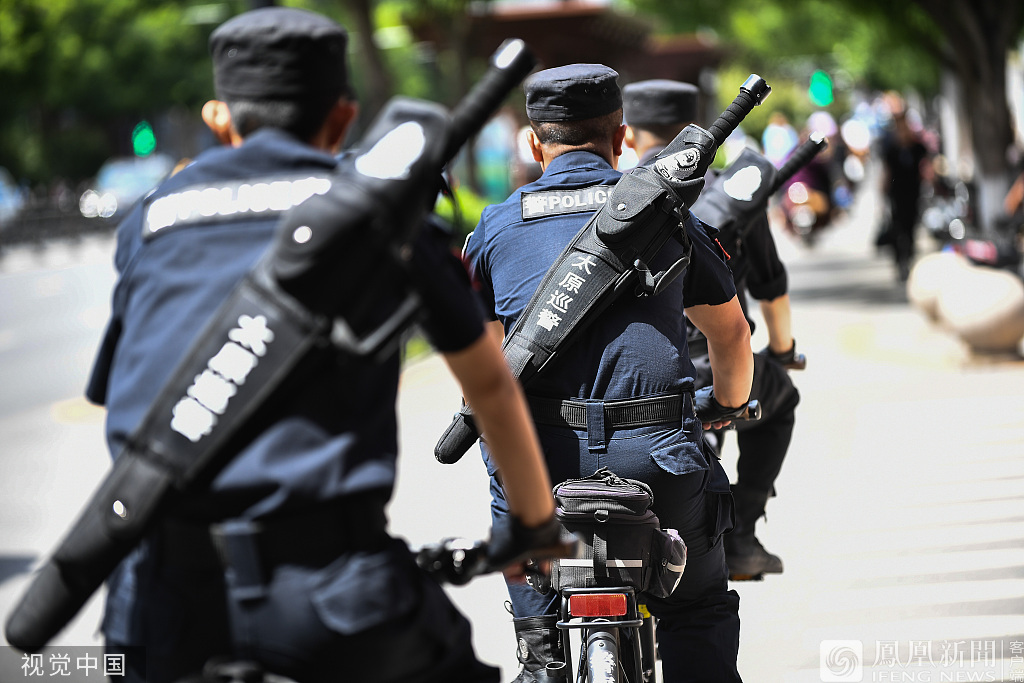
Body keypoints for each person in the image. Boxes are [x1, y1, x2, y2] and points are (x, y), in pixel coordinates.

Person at [85, 7, 557, 683]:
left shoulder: (150, 218)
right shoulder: (378, 212)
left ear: (220, 120)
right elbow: (490, 384)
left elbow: (119, 396)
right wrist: (533, 525)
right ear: (342, 118)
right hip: (336, 599)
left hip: (159, 601)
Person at [463, 65, 754, 683]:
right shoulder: (664, 212)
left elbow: (484, 373)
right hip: (659, 460)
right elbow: (729, 332)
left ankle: (539, 650)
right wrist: (727, 401)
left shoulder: (494, 228)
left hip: (541, 470)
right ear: (621, 136)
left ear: (534, 142)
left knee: (505, 485)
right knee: (697, 612)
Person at [623, 79, 802, 581]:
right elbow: (771, 290)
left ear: (628, 134)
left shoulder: (617, 196)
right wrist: (784, 350)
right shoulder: (731, 193)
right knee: (780, 397)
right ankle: (742, 535)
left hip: (632, 379)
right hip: (717, 370)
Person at [879, 108, 930, 280]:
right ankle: (899, 261)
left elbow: (926, 167)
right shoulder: (891, 148)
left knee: (911, 227)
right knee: (897, 228)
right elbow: (886, 172)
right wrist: (882, 194)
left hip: (913, 193)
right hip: (896, 194)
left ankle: (908, 258)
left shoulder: (917, 147)